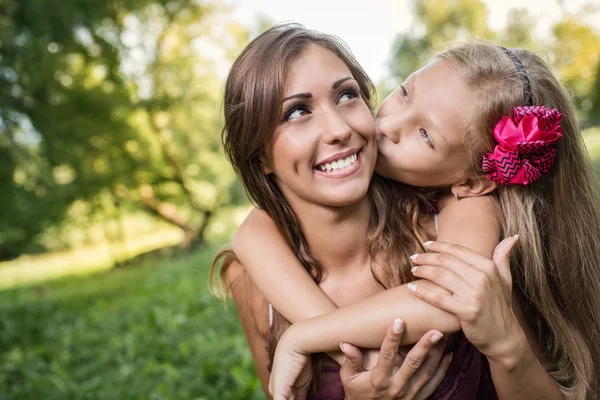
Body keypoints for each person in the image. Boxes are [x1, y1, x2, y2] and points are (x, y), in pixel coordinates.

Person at [238, 35, 600, 400]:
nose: (386, 125)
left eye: (426, 136)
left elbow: (442, 302)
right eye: (404, 93)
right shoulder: (255, 266)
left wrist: (302, 337)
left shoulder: (465, 212)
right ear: (259, 157)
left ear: (472, 183)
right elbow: (250, 233)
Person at [210, 23, 485, 399]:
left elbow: (452, 302)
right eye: (296, 112)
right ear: (260, 158)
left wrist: (303, 337)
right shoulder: (252, 281)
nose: (337, 128)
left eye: (345, 96)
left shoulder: (449, 211)